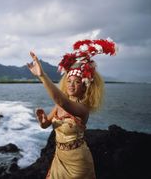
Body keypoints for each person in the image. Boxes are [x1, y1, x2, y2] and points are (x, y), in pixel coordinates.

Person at [27, 39, 117, 179]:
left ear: (85, 86)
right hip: (59, 158)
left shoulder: (82, 109)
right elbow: (45, 125)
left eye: (77, 82)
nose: (71, 85)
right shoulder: (59, 106)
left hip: (78, 163)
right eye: (69, 81)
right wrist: (42, 120)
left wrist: (42, 75)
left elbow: (60, 100)